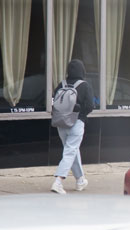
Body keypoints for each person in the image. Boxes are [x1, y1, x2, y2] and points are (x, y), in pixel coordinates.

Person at [51, 59, 94, 194]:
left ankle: (80, 180)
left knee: (71, 150)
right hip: (76, 123)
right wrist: (79, 115)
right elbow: (90, 106)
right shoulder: (85, 85)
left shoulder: (61, 84)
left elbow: (54, 102)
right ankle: (58, 181)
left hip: (61, 124)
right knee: (70, 151)